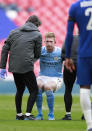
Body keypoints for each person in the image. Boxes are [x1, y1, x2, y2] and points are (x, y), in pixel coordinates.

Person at [0, 15, 42, 120]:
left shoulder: (13, 32)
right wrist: (30, 60)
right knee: (34, 90)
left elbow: (5, 49)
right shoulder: (37, 34)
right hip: (26, 65)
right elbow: (38, 53)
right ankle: (28, 114)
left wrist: (2, 67)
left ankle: (19, 115)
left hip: (14, 65)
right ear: (36, 24)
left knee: (20, 89)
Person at [65, 0, 92, 130]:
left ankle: (90, 126)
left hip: (85, 53)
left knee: (84, 88)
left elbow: (69, 34)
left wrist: (68, 56)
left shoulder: (75, 7)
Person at [35, 32, 63, 120]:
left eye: (51, 41)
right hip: (42, 76)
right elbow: (30, 59)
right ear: (44, 42)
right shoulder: (40, 51)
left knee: (48, 87)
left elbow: (70, 61)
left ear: (55, 42)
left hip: (56, 78)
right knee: (36, 86)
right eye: (47, 41)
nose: (49, 43)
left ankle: (51, 114)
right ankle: (40, 114)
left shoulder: (60, 52)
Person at [61, 35, 85, 120]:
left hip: (70, 64)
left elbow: (63, 52)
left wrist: (67, 58)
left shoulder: (70, 38)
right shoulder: (88, 38)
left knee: (68, 89)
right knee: (84, 89)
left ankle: (68, 115)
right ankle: (85, 114)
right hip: (83, 64)